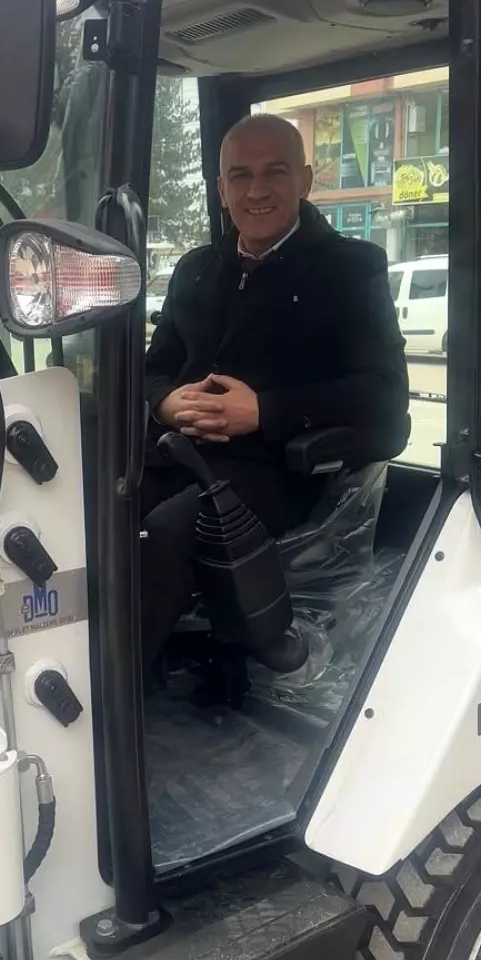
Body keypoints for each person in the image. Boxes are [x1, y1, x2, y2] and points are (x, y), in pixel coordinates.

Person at [140, 112, 408, 671]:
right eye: (240, 176)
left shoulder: (349, 269)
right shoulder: (196, 270)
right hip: (180, 454)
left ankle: (120, 688)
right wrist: (165, 402)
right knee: (94, 499)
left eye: (275, 172)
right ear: (221, 189)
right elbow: (152, 369)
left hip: (277, 468)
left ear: (304, 181)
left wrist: (263, 411)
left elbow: (384, 399)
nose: (256, 190)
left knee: (171, 530)